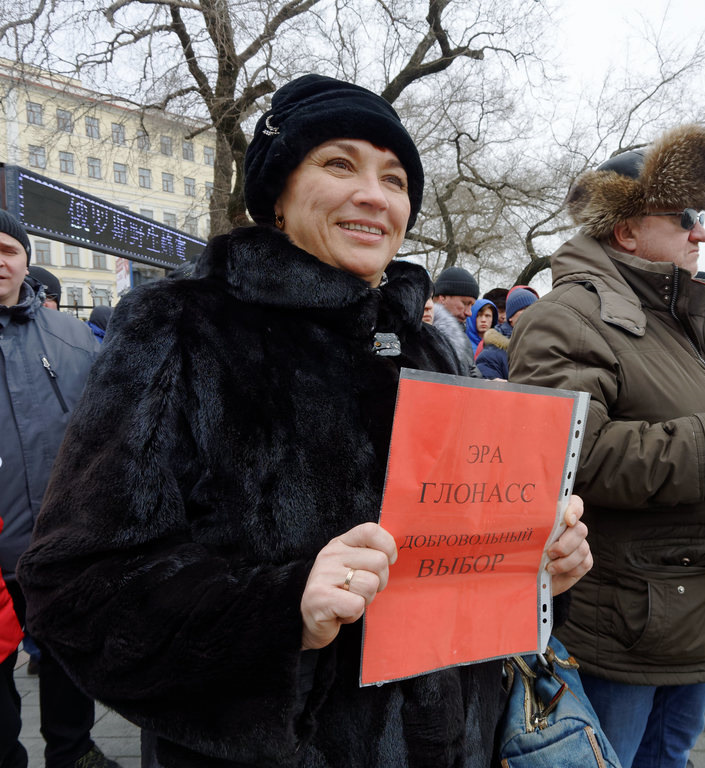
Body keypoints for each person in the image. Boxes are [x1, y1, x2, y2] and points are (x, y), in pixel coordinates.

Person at [16, 75, 592, 768]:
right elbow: (75, 587)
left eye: (396, 178)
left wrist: (530, 567)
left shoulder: (432, 345)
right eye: (339, 163)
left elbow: (449, 555)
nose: (375, 196)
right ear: (278, 195)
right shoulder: (183, 329)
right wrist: (283, 612)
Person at [508, 124, 705, 766]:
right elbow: (566, 457)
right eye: (684, 218)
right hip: (631, 616)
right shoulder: (568, 317)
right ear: (626, 231)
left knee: (672, 755)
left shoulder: (680, 317)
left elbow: (695, 412)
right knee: (617, 756)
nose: (702, 233)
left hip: (694, 600)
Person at [0, 209, 112, 768]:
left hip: (61, 544)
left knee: (70, 665)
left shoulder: (73, 336)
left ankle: (74, 753)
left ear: (25, 260)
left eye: (8, 248)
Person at [476, 287, 537, 380]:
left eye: (534, 309)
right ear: (510, 317)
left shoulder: (548, 346)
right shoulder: (491, 353)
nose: (530, 313)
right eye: (524, 309)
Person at [431, 266, 480, 374]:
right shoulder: (419, 333)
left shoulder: (463, 338)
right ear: (442, 298)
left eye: (471, 305)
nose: (469, 313)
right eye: (465, 303)